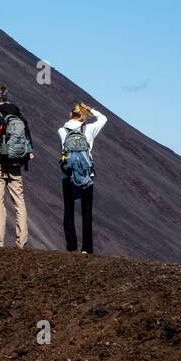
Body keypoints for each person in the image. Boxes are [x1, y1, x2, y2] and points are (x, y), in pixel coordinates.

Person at [0, 83, 34, 248]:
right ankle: (22, 241)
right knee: (19, 199)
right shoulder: (16, 112)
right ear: (6, 96)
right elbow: (26, 135)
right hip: (15, 161)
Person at [58, 102, 107, 254]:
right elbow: (104, 118)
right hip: (87, 174)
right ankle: (87, 248)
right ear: (83, 115)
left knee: (69, 210)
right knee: (86, 211)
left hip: (68, 174)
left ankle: (71, 247)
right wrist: (90, 110)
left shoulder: (62, 130)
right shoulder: (90, 129)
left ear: (70, 115)